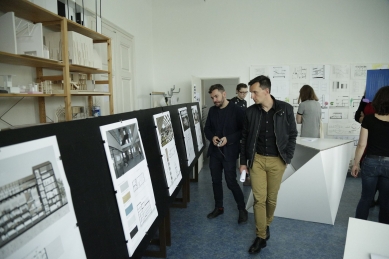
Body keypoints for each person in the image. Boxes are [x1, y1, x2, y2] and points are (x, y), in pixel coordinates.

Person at [240, 75, 297, 254]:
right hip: (256, 160)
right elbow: (244, 139)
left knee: (271, 199)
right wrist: (243, 163)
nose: (252, 96)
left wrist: (287, 158)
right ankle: (261, 236)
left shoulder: (285, 109)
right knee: (259, 199)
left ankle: (266, 224)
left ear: (266, 91)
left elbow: (292, 135)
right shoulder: (251, 112)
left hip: (277, 161)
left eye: (255, 92)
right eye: (251, 93)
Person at [204, 84, 248, 224]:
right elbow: (207, 129)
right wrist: (212, 137)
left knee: (231, 182)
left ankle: (242, 209)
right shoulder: (212, 111)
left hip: (229, 153)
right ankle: (219, 207)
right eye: (212, 98)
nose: (214, 100)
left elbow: (243, 132)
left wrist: (228, 139)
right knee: (215, 181)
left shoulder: (238, 110)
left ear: (224, 94)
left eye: (216, 96)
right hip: (215, 153)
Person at [351, 85, 389, 224]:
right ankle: (383, 233)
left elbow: (362, 145)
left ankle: (359, 229)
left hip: (370, 162)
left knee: (366, 198)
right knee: (386, 201)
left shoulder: (369, 119)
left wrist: (356, 163)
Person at [354, 94, 378, 206]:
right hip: (369, 138)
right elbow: (357, 116)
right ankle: (371, 198)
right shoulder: (367, 97)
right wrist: (364, 119)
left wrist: (367, 118)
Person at [230, 83, 251, 186]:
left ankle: (246, 177)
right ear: (237, 91)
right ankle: (232, 178)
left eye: (245, 92)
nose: (243, 94)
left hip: (243, 132)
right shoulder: (232, 102)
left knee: (244, 155)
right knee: (234, 156)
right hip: (234, 133)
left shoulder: (245, 102)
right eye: (241, 92)